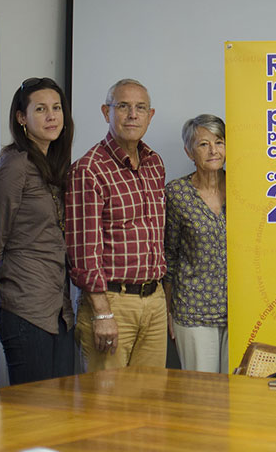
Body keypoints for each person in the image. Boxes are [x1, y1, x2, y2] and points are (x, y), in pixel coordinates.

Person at [66, 78, 168, 371]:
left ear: (150, 115)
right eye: (123, 106)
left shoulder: (154, 164)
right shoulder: (89, 170)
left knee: (151, 404)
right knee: (107, 407)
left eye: (140, 108)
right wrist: (101, 313)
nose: (132, 115)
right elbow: (84, 250)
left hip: (154, 300)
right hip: (112, 302)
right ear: (105, 112)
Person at [0, 77, 75, 384]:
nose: (51, 116)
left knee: (64, 409)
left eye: (56, 108)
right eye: (40, 109)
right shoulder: (14, 166)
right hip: (24, 306)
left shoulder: (55, 165)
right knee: (34, 413)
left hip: (59, 310)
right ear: (21, 117)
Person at [165, 114, 228, 373]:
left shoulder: (244, 186)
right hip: (193, 311)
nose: (213, 150)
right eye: (203, 144)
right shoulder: (177, 193)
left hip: (242, 309)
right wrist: (167, 312)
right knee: (203, 397)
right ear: (189, 152)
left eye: (219, 142)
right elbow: (169, 255)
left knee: (239, 397)